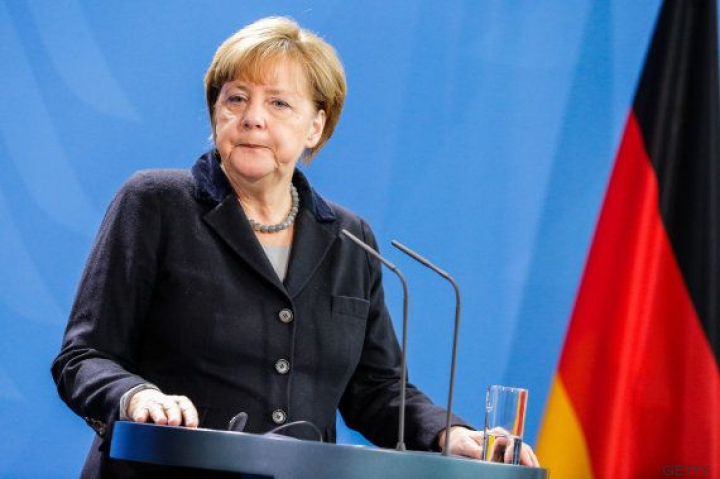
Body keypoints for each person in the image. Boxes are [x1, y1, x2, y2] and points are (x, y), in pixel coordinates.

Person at [52, 16, 539, 477]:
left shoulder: (351, 240)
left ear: (316, 127)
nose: (252, 118)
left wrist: (449, 434)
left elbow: (377, 389)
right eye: (236, 98)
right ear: (216, 112)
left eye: (279, 104)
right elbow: (83, 357)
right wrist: (136, 396)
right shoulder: (156, 203)